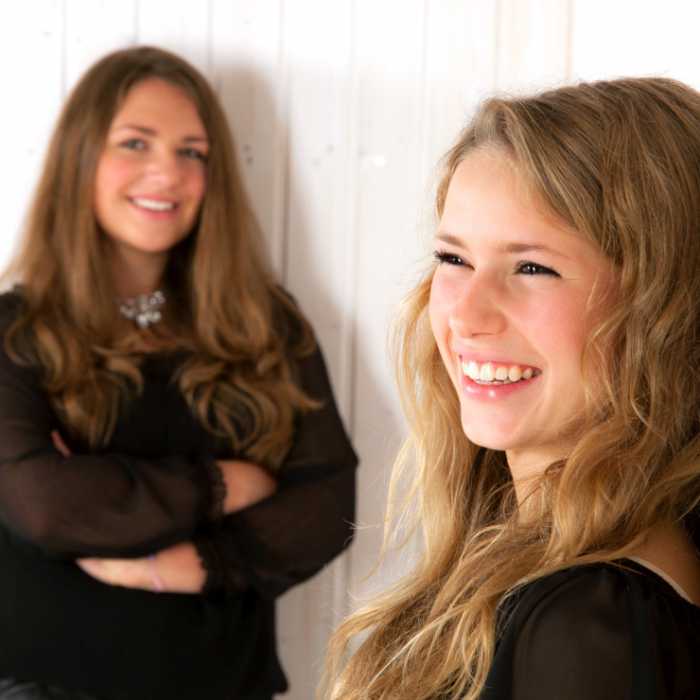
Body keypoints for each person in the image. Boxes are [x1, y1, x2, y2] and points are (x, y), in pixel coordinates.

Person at [0, 46, 357, 700]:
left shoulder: (262, 322)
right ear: (80, 157)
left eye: (192, 152)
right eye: (135, 143)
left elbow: (328, 504)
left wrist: (173, 565)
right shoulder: (15, 331)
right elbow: (43, 504)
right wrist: (224, 485)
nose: (168, 171)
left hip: (224, 686)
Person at [325, 77, 700, 699]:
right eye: (454, 259)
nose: (467, 316)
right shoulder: (553, 570)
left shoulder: (591, 621)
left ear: (666, 308)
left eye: (532, 267)